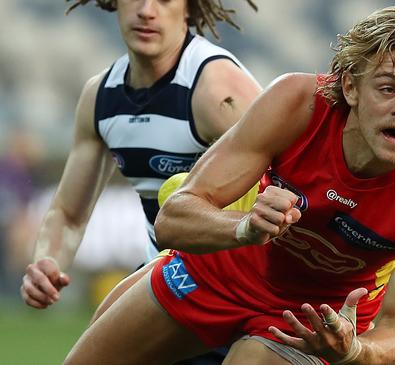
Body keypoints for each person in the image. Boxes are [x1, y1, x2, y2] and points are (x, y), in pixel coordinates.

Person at [65, 6, 395, 365]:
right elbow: (173, 219)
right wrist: (244, 227)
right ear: (351, 86)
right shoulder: (296, 103)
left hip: (312, 318)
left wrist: (354, 351)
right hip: (220, 274)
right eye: (388, 88)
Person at [20, 0, 260, 363]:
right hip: (167, 276)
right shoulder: (100, 97)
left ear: (189, 9)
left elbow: (288, 184)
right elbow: (69, 212)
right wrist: (47, 261)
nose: (147, 10)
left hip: (236, 286)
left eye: (164, 0)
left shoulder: (217, 88)